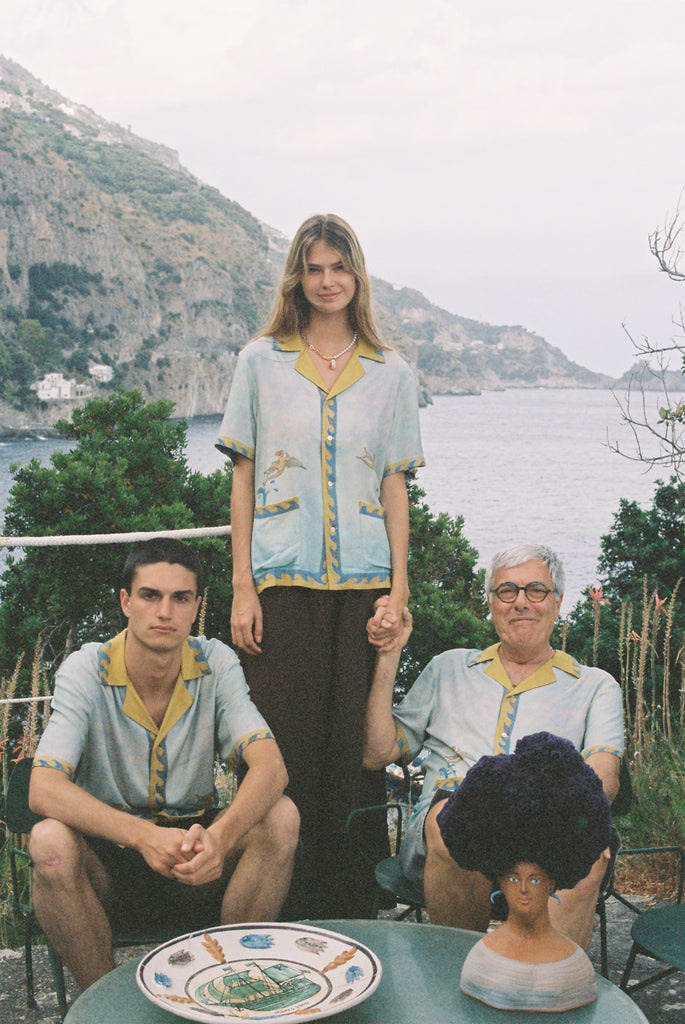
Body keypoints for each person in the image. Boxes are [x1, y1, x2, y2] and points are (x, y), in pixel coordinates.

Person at [215, 213, 425, 917]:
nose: (328, 280)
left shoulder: (389, 371)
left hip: (365, 586)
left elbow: (394, 483)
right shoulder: (260, 361)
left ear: (356, 276)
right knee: (282, 747)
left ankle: (353, 914)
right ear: (296, 278)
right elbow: (242, 476)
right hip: (282, 582)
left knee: (356, 758)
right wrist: (243, 585)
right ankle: (279, 909)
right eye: (315, 268)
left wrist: (400, 586)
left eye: (340, 267)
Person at [28, 538, 300, 993]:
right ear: (125, 602)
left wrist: (219, 838)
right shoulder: (85, 668)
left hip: (197, 855)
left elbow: (272, 769)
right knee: (48, 839)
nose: (164, 612)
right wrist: (144, 837)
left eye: (180, 598)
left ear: (196, 607)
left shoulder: (215, 661)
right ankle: (107, 1006)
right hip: (110, 861)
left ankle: (232, 988)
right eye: (150, 595)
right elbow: (43, 788)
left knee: (281, 816)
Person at [363, 543, 624, 948]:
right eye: (507, 591)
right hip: (441, 838)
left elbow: (604, 778)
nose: (521, 602)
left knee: (590, 845)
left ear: (556, 604)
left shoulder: (594, 685)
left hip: (547, 827)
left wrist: (536, 816)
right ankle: (458, 969)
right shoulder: (449, 667)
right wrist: (389, 655)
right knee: (451, 817)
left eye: (536, 590)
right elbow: (377, 752)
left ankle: (550, 986)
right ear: (491, 603)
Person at [440, 733, 610, 1011]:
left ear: (553, 880)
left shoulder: (573, 969)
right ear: (498, 878)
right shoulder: (482, 962)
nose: (523, 889)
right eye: (512, 877)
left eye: (535, 878)